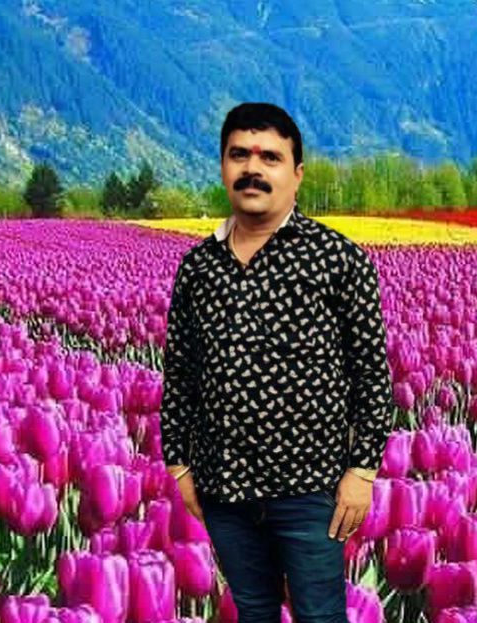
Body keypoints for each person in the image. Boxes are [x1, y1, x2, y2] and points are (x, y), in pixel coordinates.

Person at [159, 102, 392, 623]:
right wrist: (178, 464)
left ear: (297, 173)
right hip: (224, 489)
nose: (253, 169)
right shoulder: (198, 267)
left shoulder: (337, 259)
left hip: (309, 490)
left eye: (270, 157)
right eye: (239, 155)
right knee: (253, 612)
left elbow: (373, 376)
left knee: (319, 615)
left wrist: (362, 471)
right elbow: (180, 374)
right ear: (223, 166)